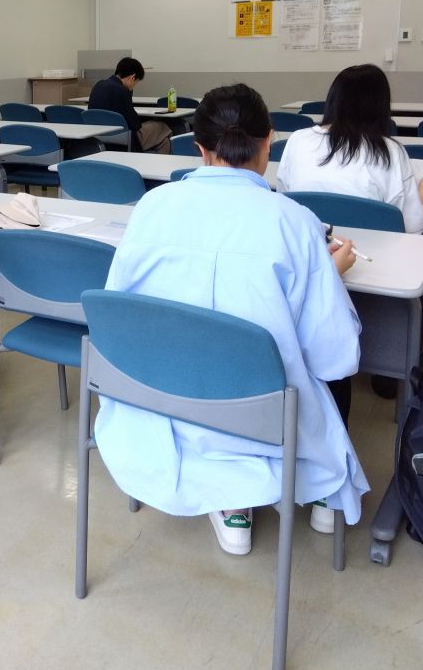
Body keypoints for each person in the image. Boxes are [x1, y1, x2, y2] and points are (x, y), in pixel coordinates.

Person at [94, 83, 369, 556]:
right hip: (263, 418)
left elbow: (119, 313)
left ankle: (232, 505)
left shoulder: (151, 207)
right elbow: (334, 356)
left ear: (198, 147)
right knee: (315, 376)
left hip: (160, 402)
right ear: (269, 141)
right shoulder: (294, 221)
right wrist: (329, 276)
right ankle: (322, 498)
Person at [277, 63, 423, 234]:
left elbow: (283, 199)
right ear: (380, 106)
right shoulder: (390, 151)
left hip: (306, 242)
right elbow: (411, 227)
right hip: (374, 248)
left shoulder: (297, 139)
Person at [88, 57, 171, 154]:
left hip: (98, 138)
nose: (134, 86)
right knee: (162, 127)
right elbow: (135, 124)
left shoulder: (98, 85)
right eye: (136, 82)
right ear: (132, 78)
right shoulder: (121, 91)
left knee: (164, 141)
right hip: (125, 140)